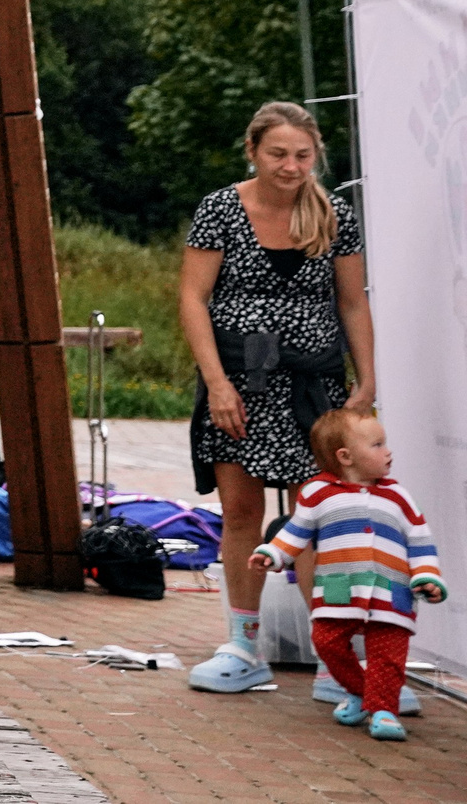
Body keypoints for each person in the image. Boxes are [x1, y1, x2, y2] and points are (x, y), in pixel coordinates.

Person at [180, 100, 378, 697]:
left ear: (314, 155)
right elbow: (194, 299)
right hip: (240, 385)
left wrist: (367, 381)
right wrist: (216, 382)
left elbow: (352, 303)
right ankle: (244, 646)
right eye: (277, 154)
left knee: (320, 519)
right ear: (253, 152)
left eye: (302, 155)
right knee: (240, 514)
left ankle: (335, 660)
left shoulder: (335, 213)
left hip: (316, 386)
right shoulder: (219, 209)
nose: (290, 166)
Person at [252, 409, 444, 740]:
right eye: (377, 444)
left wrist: (426, 575)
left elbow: (419, 538)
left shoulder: (398, 495)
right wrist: (273, 553)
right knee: (326, 640)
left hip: (392, 591)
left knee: (387, 655)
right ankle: (364, 692)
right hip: (339, 588)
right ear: (346, 457)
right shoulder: (317, 493)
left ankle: (383, 711)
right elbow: (297, 531)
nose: (388, 452)